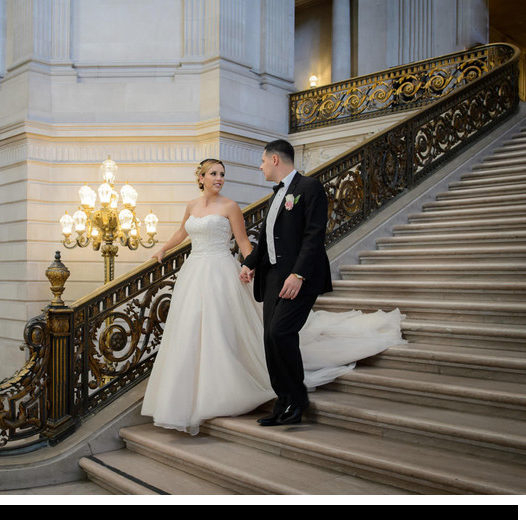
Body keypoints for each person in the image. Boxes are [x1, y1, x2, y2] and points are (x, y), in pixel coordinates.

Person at [140, 157, 404, 436]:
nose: (219, 178)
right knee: (190, 328)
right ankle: (189, 390)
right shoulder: (192, 206)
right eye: (214, 174)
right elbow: (183, 231)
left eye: (222, 174)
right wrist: (162, 250)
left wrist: (250, 264)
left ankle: (225, 388)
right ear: (201, 177)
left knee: (220, 327)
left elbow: (243, 241)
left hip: (220, 271)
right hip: (194, 272)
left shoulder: (230, 206)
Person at [240, 139, 331, 427]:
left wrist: (299, 274)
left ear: (275, 160)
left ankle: (297, 399)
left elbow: (314, 236)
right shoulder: (275, 196)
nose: (261, 166)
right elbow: (268, 239)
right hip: (273, 276)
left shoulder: (310, 187)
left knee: (281, 333)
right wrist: (249, 264)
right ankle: (283, 402)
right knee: (270, 339)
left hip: (300, 277)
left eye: (263, 161)